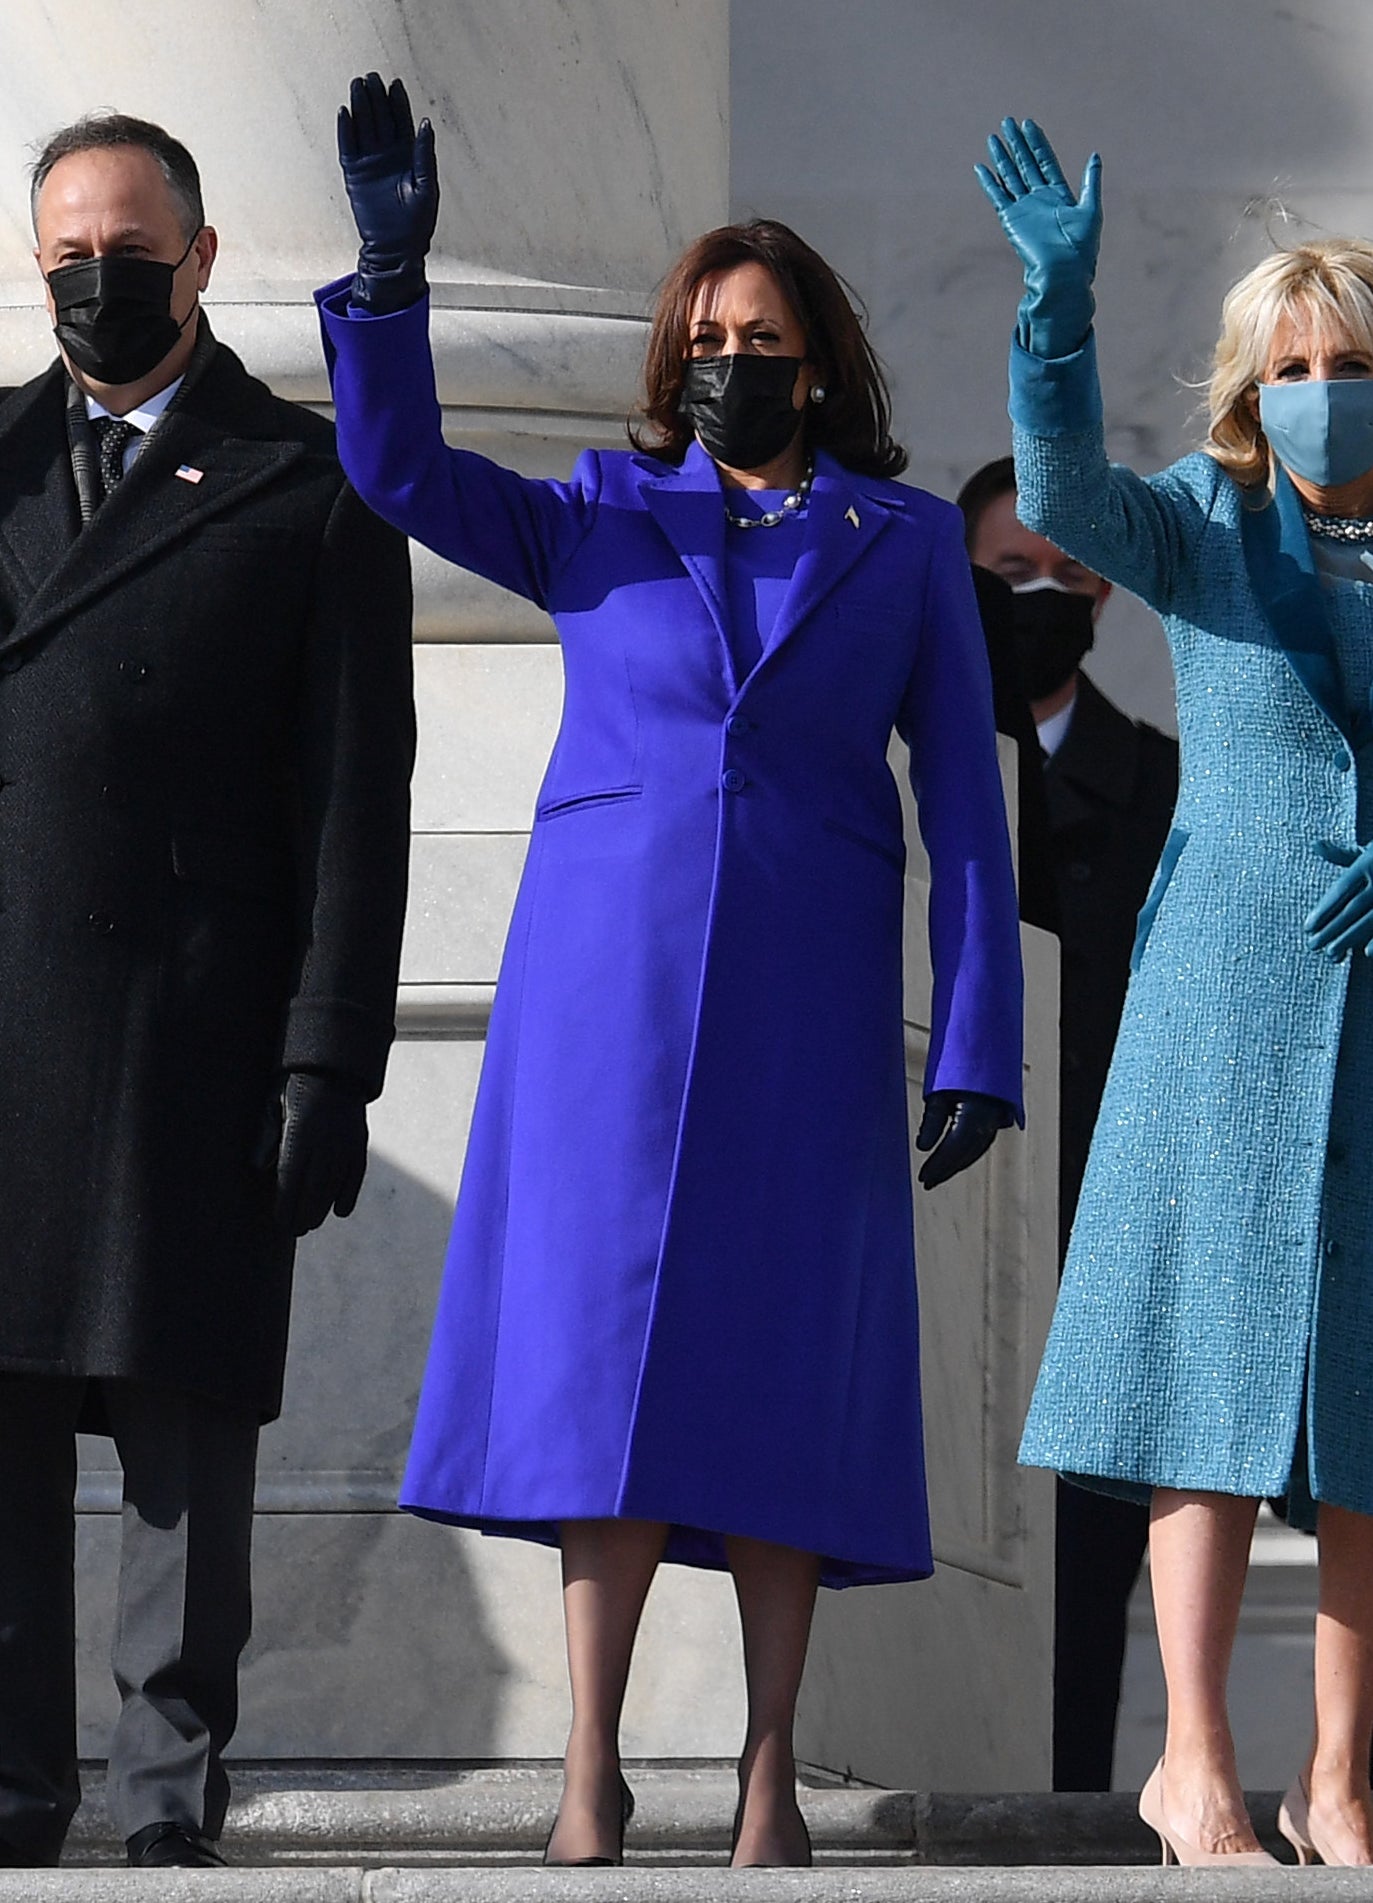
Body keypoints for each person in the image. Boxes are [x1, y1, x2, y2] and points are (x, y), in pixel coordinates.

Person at [317, 74, 1023, 1870]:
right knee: (602, 1372)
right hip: (601, 1004)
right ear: (671, 354)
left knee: (787, 1369)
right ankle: (590, 1768)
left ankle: (773, 1768)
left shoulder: (909, 541)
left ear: (819, 359)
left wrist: (982, 1041)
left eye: (763, 335)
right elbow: (395, 469)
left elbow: (965, 796)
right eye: (706, 334)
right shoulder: (601, 510)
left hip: (802, 1003)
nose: (732, 357)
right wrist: (389, 286)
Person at [0, 114, 415, 1870]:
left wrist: (330, 1060)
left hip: (198, 1025)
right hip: (12, 1021)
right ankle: (14, 1793)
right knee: (6, 1430)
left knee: (184, 1428)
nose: (97, 278)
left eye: (126, 247)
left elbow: (353, 797)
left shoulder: (301, 481)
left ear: (201, 253)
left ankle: (167, 1799)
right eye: (65, 255)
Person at [980, 115, 1373, 1867]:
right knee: (1201, 1388)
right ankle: (1194, 1761)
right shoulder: (1207, 526)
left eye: (1349, 362)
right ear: (1245, 385)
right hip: (1225, 1006)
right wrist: (1050, 321)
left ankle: (1340, 1776)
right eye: (1289, 365)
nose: (1318, 390)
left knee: (1368, 1408)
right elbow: (1056, 499)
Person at [960, 459, 1178, 1791]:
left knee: (1082, 1555)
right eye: (1005, 577)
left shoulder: (1155, 789)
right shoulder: (901, 770)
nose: (1039, 600)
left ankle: (1068, 1806)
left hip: (1094, 1209)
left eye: (1064, 577)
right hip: (928, 1204)